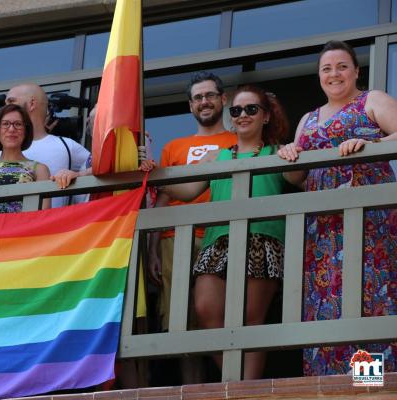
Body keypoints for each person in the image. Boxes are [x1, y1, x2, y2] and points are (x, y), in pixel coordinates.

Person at [278, 40, 397, 376]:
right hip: (322, 234)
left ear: (356, 71)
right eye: (327, 68)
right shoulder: (308, 120)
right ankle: (329, 388)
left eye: (342, 66)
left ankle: (369, 387)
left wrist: (371, 144)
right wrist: (289, 155)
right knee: (326, 304)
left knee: (368, 300)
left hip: (369, 228)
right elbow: (296, 177)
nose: (334, 74)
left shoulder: (370, 101)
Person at [157, 85, 289, 380]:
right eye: (237, 111)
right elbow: (188, 191)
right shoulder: (217, 157)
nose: (242, 115)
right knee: (206, 311)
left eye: (251, 109)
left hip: (261, 237)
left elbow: (298, 175)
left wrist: (294, 150)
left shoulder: (276, 151)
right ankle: (237, 381)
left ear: (265, 116)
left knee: (250, 320)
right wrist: (153, 175)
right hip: (217, 240)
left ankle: (245, 389)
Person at [149, 72, 237, 350]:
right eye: (197, 97)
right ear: (190, 106)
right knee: (179, 319)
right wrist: (152, 249)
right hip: (174, 238)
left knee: (219, 313)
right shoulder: (173, 146)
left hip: (222, 234)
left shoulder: (238, 140)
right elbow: (162, 198)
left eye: (210, 95)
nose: (204, 101)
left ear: (223, 99)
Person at [0, 83, 90, 208]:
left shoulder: (67, 146)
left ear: (32, 104)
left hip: (49, 226)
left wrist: (79, 175)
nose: (5, 108)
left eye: (11, 101)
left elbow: (103, 167)